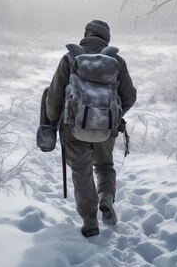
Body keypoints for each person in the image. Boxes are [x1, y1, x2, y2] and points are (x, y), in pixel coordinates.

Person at [45, 19, 137, 237]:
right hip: (106, 127)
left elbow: (54, 96)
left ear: (86, 34)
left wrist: (51, 120)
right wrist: (111, 116)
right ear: (106, 38)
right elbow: (130, 96)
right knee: (104, 165)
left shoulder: (70, 59)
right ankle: (106, 197)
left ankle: (89, 220)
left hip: (73, 126)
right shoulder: (117, 61)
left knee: (81, 172)